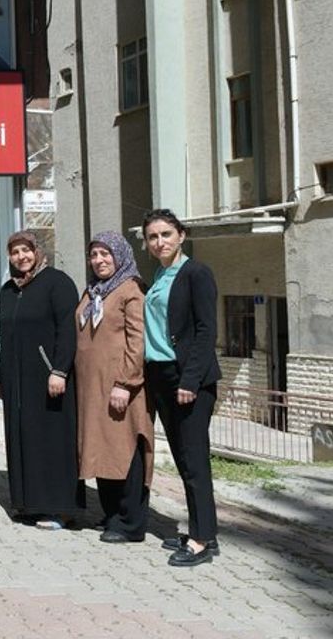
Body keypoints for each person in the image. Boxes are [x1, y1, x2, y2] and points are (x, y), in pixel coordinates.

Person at [142, 209, 222, 567]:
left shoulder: (196, 273)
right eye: (153, 237)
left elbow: (206, 331)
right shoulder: (160, 275)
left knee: (193, 461)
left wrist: (190, 380)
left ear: (181, 236)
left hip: (188, 378)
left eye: (166, 234)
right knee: (182, 458)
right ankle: (203, 530)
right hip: (160, 375)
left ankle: (202, 540)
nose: (160, 242)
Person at [0, 231, 85, 529]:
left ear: (37, 251)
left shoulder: (57, 283)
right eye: (15, 252)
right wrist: (1, 376)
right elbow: (3, 336)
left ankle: (61, 509)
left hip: (49, 378)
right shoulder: (9, 290)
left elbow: (68, 330)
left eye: (26, 250)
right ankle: (29, 504)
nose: (21, 256)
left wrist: (59, 370)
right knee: (24, 439)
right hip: (17, 381)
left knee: (52, 440)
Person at [75, 230, 153, 544]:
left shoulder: (130, 289)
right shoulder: (94, 290)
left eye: (105, 254)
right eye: (94, 255)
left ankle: (130, 523)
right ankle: (111, 515)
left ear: (120, 255)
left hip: (121, 388)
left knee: (124, 450)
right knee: (102, 449)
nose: (99, 260)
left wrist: (125, 382)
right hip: (93, 389)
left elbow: (138, 341)